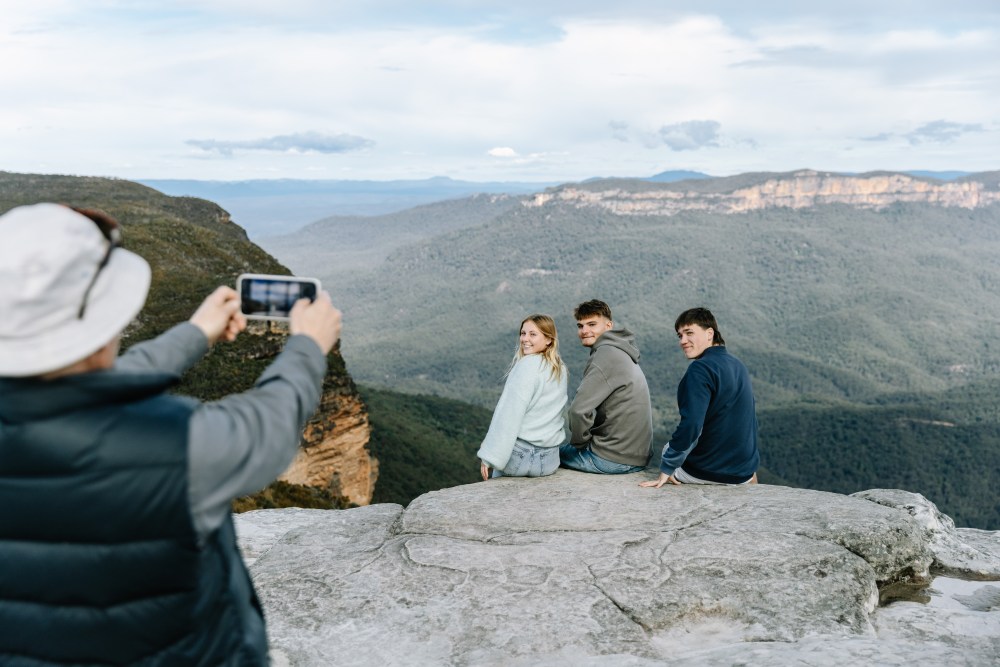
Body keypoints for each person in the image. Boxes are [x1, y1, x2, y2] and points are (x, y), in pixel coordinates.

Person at [0, 203, 342, 666]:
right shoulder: (174, 447)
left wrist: (195, 334)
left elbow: (91, 384)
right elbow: (268, 428)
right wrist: (307, 347)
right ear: (105, 329)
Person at [640, 307, 759, 489]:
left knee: (667, 450)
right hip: (744, 472)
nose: (683, 341)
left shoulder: (700, 369)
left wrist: (667, 468)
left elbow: (692, 426)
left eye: (689, 333)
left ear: (709, 333)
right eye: (680, 336)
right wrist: (748, 470)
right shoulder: (738, 365)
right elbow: (749, 420)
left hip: (710, 471)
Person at [560, 299, 653, 474]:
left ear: (608, 325)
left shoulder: (605, 355)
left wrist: (580, 444)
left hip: (613, 458)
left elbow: (578, 411)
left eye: (592, 324)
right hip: (637, 456)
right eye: (580, 326)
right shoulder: (621, 350)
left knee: (545, 455)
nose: (584, 331)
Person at [478, 314, 568, 479]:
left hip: (520, 457)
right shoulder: (560, 369)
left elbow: (508, 415)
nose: (525, 339)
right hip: (549, 461)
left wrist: (490, 457)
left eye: (533, 334)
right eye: (523, 333)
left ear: (549, 339)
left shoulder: (526, 365)